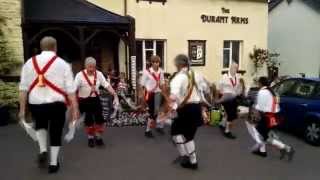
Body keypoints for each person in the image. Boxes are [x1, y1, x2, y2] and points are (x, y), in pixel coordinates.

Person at [19, 36, 79, 174]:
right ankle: (53, 164)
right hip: (57, 105)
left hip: (36, 104)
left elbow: (23, 89)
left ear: (41, 47)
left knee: (40, 124)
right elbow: (70, 90)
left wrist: (22, 110)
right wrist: (75, 109)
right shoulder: (63, 64)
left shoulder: (29, 63)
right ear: (55, 47)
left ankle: (43, 149)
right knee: (56, 131)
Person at [168, 54, 206, 170]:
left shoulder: (179, 77)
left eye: (175, 64)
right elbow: (205, 88)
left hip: (185, 109)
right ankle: (192, 161)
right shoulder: (196, 74)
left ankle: (185, 156)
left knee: (175, 133)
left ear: (178, 64)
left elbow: (173, 96)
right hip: (196, 108)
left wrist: (166, 99)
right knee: (188, 135)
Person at [246, 77, 295, 160]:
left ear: (260, 83)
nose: (258, 84)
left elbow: (259, 107)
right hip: (275, 116)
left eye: (258, 83)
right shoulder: (273, 91)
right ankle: (263, 151)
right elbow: (276, 104)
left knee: (261, 134)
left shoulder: (262, 92)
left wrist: (253, 110)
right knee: (264, 135)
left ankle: (286, 148)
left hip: (267, 117)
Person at [74, 57, 119, 148]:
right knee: (89, 119)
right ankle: (90, 137)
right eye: (89, 67)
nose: (91, 69)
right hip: (84, 100)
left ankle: (98, 137)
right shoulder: (79, 75)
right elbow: (73, 88)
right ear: (85, 66)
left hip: (95, 99)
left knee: (99, 119)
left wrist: (114, 94)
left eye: (93, 67)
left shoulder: (99, 74)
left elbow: (106, 85)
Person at [140, 55, 165, 138]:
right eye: (154, 62)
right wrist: (142, 96)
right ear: (151, 63)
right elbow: (142, 84)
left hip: (158, 93)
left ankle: (158, 126)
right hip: (149, 93)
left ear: (159, 63)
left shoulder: (161, 71)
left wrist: (165, 90)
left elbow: (162, 82)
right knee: (152, 111)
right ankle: (148, 130)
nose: (155, 64)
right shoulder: (146, 72)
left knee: (157, 110)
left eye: (157, 62)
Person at [217, 62, 243, 139]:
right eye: (234, 67)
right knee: (231, 114)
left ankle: (222, 124)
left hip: (233, 98)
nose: (235, 69)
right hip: (226, 98)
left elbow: (238, 87)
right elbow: (219, 87)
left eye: (236, 68)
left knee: (229, 113)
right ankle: (227, 131)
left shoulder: (237, 77)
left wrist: (238, 92)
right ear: (230, 68)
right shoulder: (224, 77)